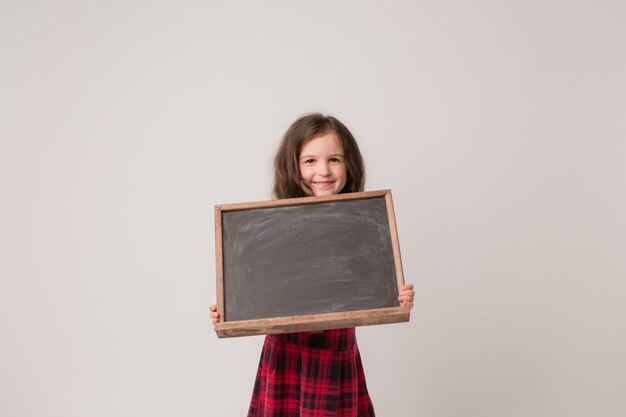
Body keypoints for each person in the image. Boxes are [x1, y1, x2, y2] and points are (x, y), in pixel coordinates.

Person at [209, 113, 415, 416]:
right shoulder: (270, 228)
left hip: (335, 357)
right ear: (293, 167)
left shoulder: (363, 224)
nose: (323, 171)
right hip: (284, 355)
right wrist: (228, 311)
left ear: (349, 165)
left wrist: (399, 299)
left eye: (334, 159)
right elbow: (252, 289)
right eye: (310, 161)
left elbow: (378, 288)